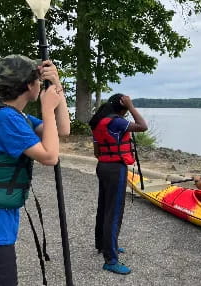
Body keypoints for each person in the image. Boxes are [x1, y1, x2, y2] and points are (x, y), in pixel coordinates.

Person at [0, 55, 70, 286]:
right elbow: (50, 156)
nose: (41, 85)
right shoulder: (5, 119)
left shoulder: (14, 116)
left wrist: (57, 85)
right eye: (39, 81)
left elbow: (62, 130)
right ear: (29, 86)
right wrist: (46, 107)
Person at [89, 94, 148, 274]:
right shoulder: (117, 122)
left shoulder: (99, 122)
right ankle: (111, 259)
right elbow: (143, 126)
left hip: (103, 166)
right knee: (114, 213)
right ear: (121, 108)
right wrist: (131, 106)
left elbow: (97, 152)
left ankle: (103, 244)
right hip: (116, 169)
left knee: (104, 207)